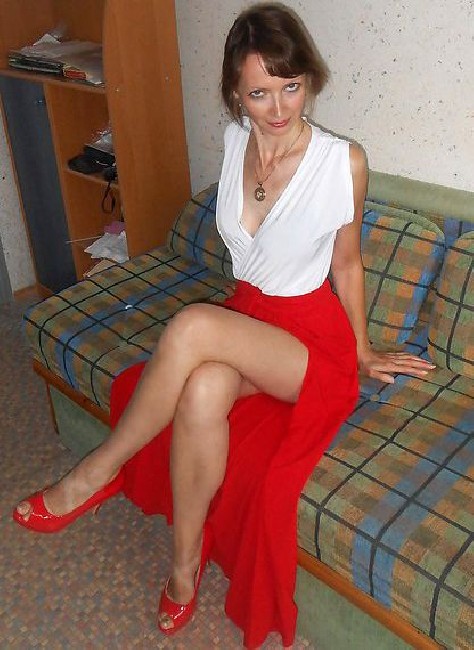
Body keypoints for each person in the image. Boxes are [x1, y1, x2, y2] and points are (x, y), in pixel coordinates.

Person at [13, 3, 435, 648]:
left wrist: (363, 349)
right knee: (204, 386)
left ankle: (97, 471)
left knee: (191, 327)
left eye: (291, 86)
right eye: (259, 93)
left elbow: (347, 265)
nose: (278, 107)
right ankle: (184, 569)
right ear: (236, 95)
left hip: (311, 347)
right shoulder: (238, 141)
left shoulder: (341, 163)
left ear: (309, 80)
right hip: (250, 320)